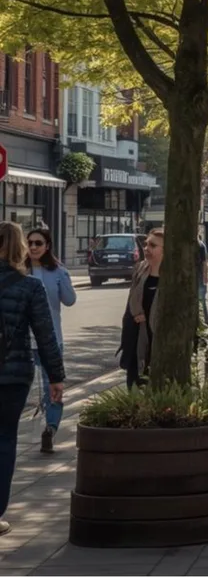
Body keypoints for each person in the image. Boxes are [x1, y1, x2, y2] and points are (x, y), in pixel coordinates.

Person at [0, 222, 64, 536]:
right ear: (21, 249)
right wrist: (56, 377)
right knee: (5, 438)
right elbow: (45, 334)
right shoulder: (29, 287)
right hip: (13, 375)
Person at [24, 228, 74, 454]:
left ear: (47, 246)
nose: (33, 247)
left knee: (52, 389)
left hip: (50, 341)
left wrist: (63, 275)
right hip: (22, 342)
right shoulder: (18, 271)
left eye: (38, 243)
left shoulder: (57, 272)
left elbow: (70, 300)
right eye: (30, 243)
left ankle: (50, 430)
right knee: (19, 388)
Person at [121, 227, 166, 390]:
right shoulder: (140, 269)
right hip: (137, 334)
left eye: (153, 246)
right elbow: (131, 299)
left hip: (159, 337)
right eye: (146, 244)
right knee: (134, 383)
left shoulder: (173, 275)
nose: (146, 248)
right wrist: (135, 314)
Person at [196, 230, 208, 324]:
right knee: (201, 301)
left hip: (199, 278)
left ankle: (205, 322)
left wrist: (205, 277)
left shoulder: (200, 245)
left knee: (201, 301)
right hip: (199, 278)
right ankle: (204, 322)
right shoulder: (200, 245)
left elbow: (204, 263)